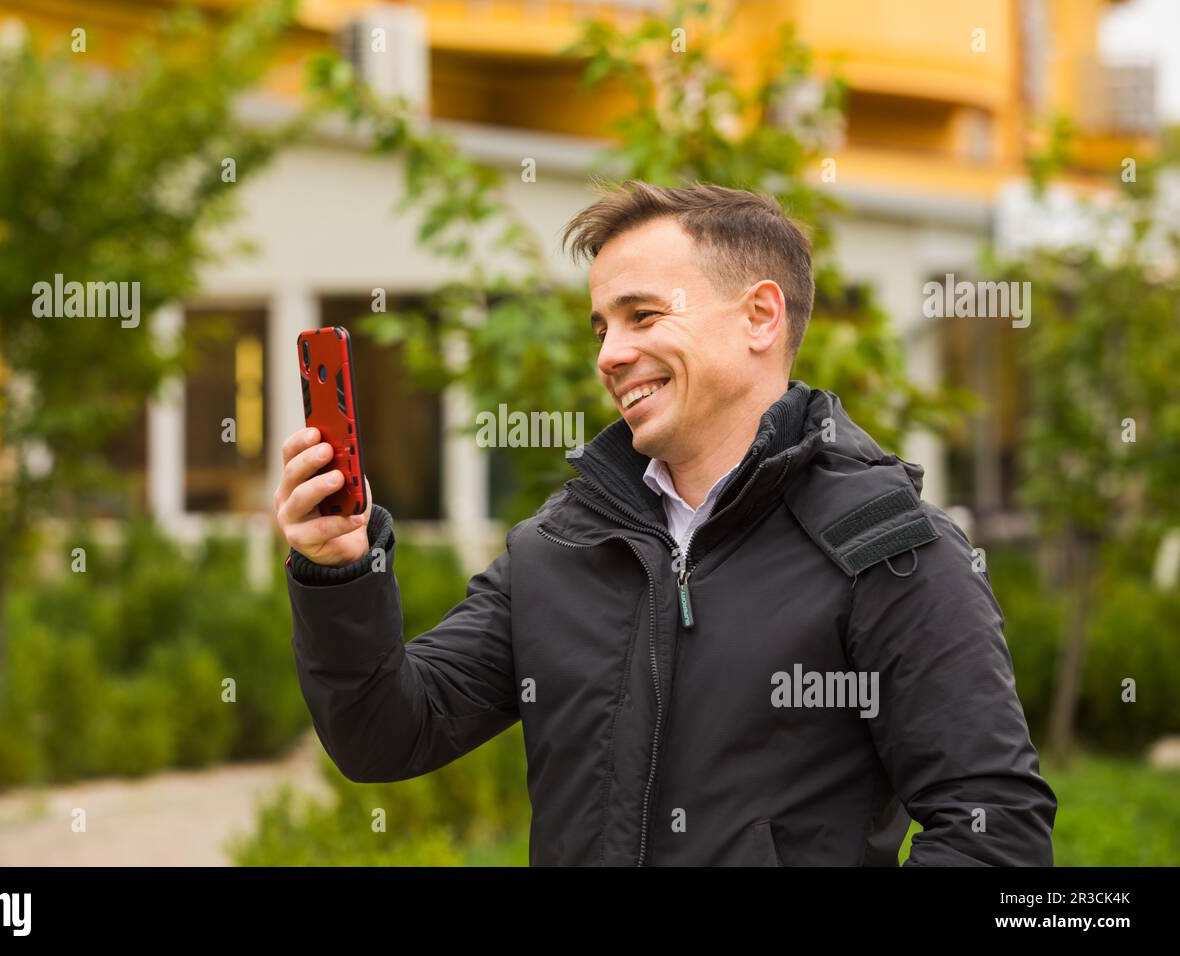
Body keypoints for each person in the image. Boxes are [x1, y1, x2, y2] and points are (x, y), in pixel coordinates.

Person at [273, 180, 1056, 866]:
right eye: (601, 328)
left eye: (642, 315)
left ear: (759, 317)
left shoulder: (887, 549)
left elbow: (993, 831)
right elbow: (386, 735)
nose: (611, 354)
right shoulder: (557, 548)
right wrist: (341, 570)